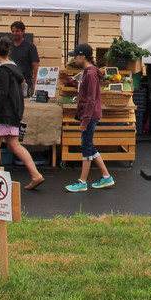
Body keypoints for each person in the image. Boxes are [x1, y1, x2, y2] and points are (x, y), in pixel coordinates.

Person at [0, 36, 45, 190]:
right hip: (14, 113)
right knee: (14, 144)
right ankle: (35, 174)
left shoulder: (2, 70)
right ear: (9, 51)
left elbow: (3, 93)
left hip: (3, 114)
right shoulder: (15, 69)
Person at [64, 42, 114, 192]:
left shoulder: (91, 74)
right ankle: (106, 177)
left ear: (82, 56)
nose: (74, 60)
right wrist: (75, 84)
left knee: (86, 147)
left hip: (90, 116)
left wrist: (85, 120)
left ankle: (82, 182)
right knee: (89, 145)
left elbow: (91, 99)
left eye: (75, 57)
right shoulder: (89, 72)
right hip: (90, 115)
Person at [8, 21, 40, 96]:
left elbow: (35, 65)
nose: (14, 33)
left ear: (23, 32)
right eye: (13, 31)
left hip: (26, 83)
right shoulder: (9, 46)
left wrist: (35, 83)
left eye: (17, 31)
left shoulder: (30, 47)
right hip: (10, 83)